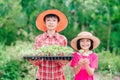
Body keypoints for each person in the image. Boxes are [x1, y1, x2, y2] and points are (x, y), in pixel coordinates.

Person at [28, 9, 69, 80]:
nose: (51, 23)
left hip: (57, 76)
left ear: (58, 23)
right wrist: (32, 60)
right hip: (42, 76)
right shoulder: (39, 39)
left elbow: (63, 62)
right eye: (48, 20)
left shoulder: (62, 39)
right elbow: (37, 62)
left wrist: (60, 58)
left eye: (54, 20)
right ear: (44, 22)